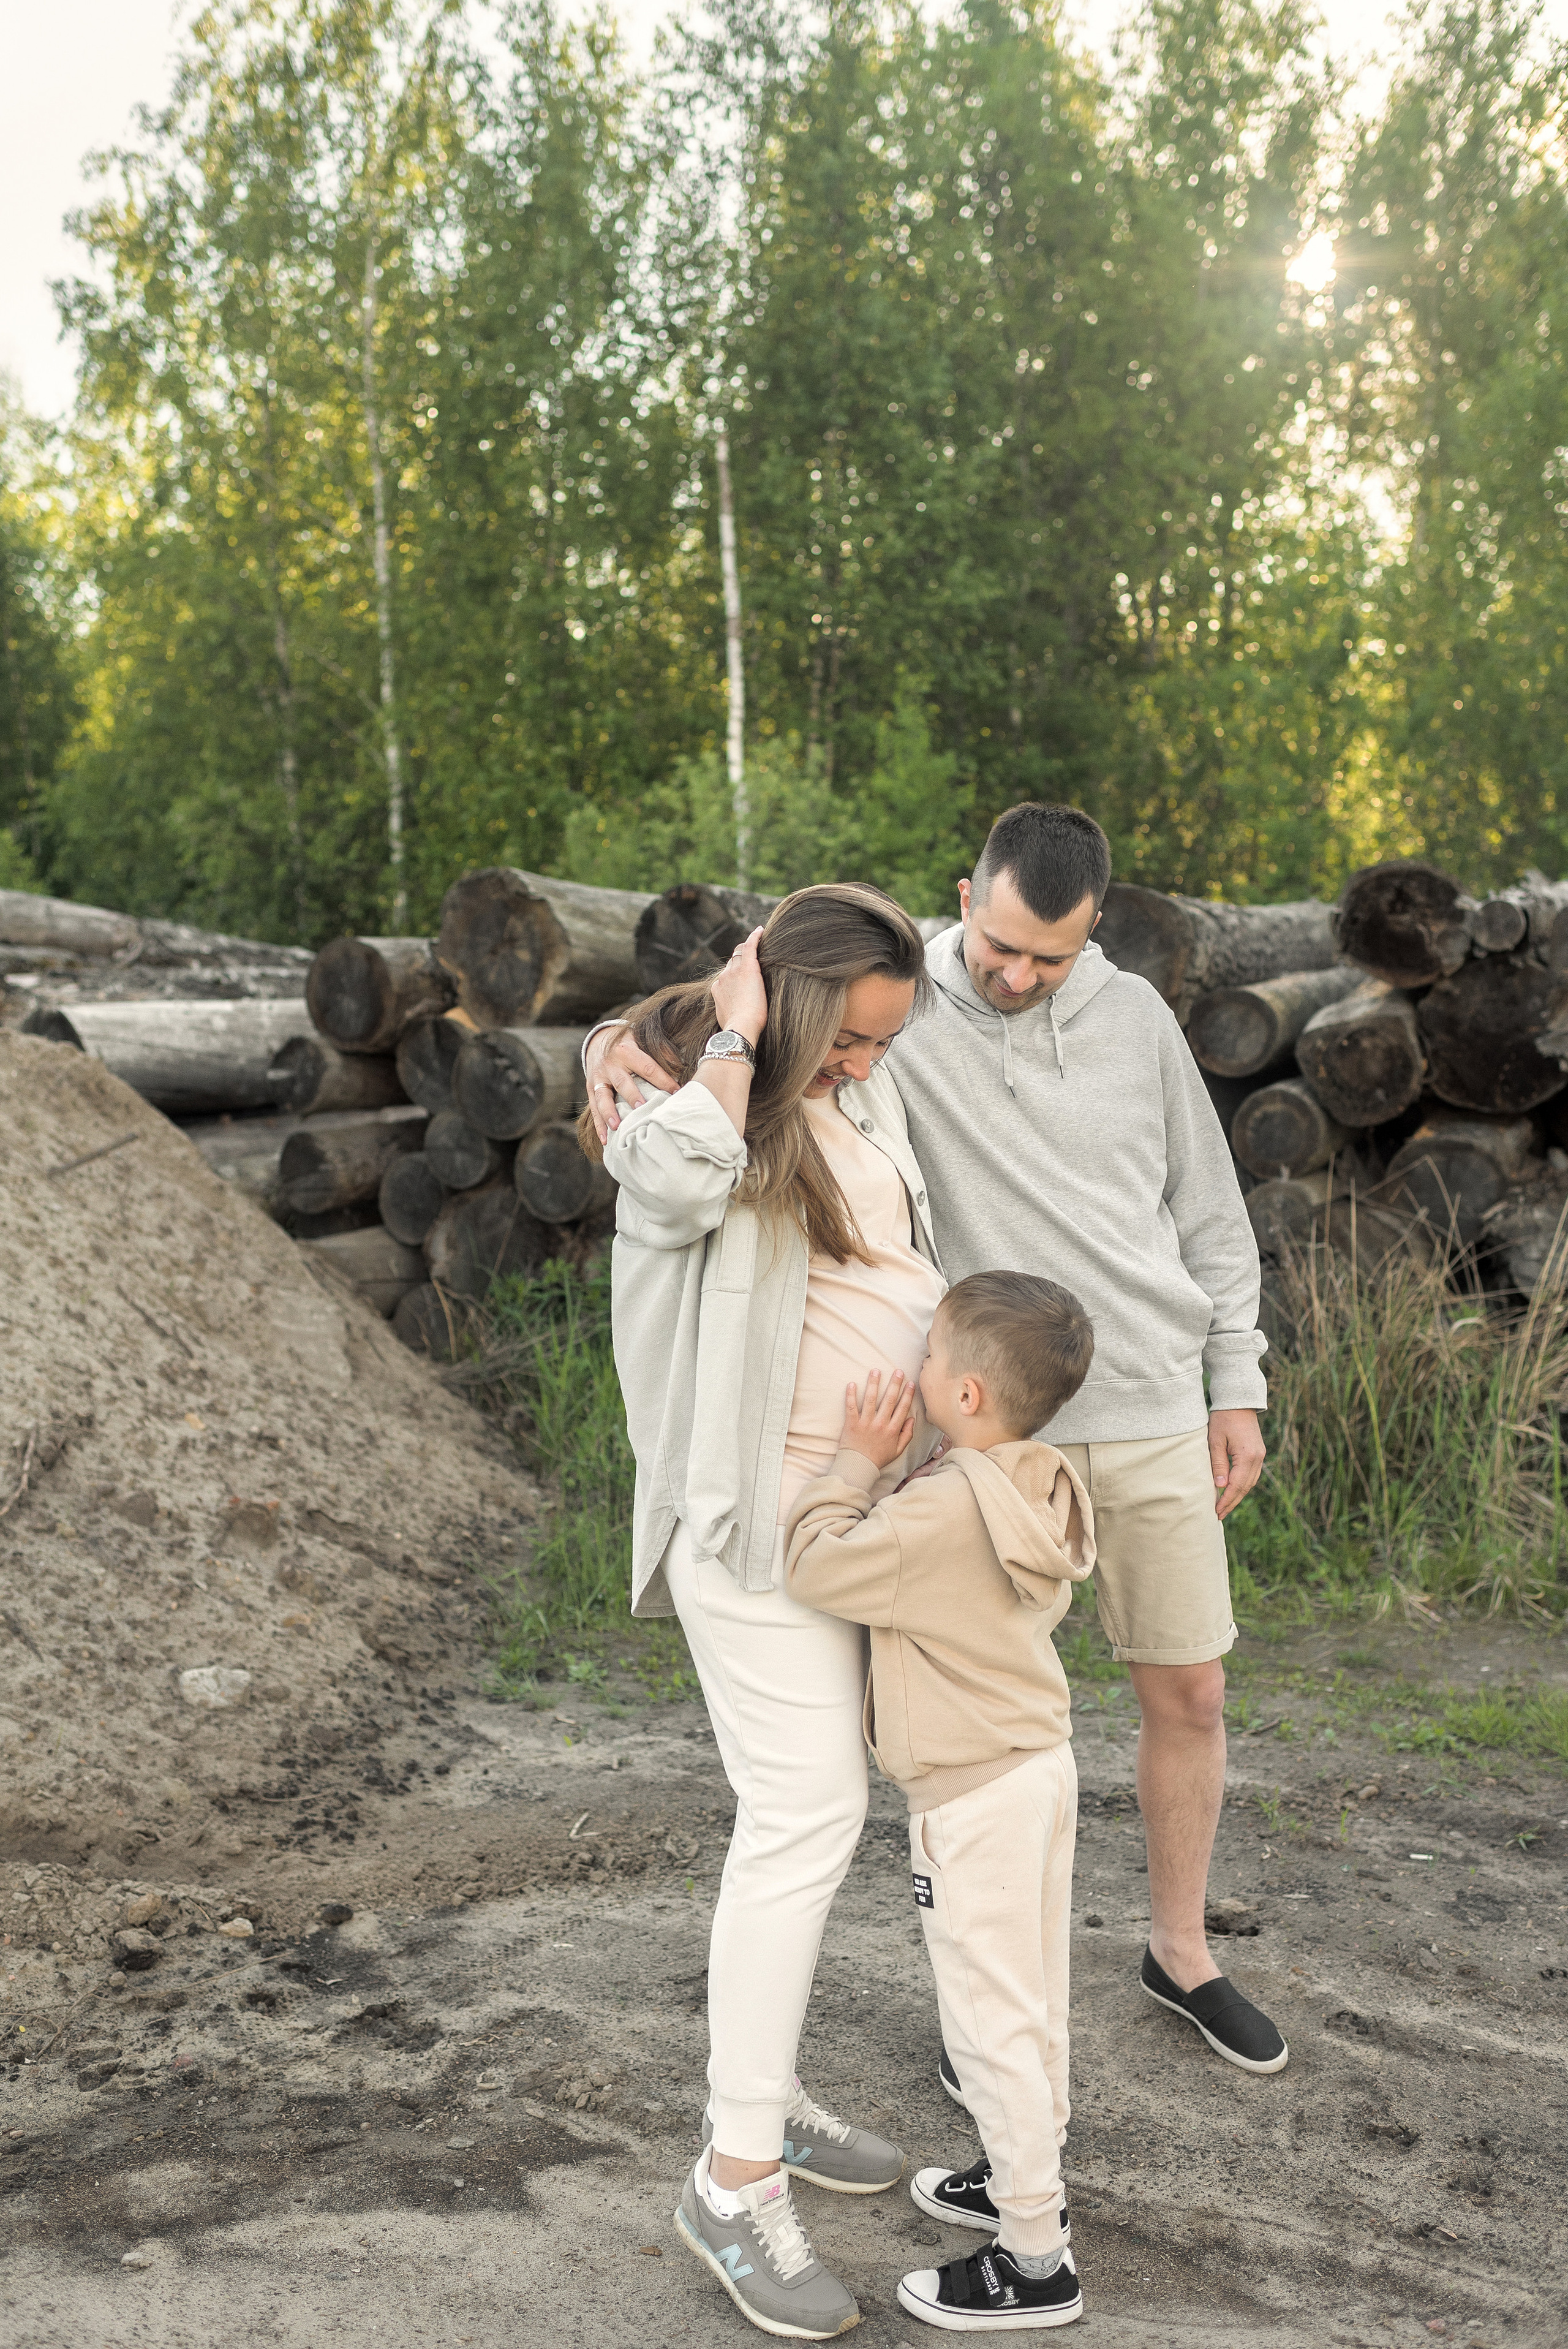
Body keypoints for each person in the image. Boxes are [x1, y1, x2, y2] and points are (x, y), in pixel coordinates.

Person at [587, 803, 1287, 2078]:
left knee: (1187, 1686)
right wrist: (606, 1043)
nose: (1018, 977)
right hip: (978, 1427)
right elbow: (724, 1003)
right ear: (965, 896)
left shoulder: (1129, 1019)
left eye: (1052, 959)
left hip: (1144, 1402)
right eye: (1003, 946)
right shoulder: (887, 1006)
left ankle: (1180, 1950)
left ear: (1092, 937)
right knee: (970, 1738)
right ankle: (985, 2009)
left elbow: (1209, 1212)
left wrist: (1230, 1384)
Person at [592, 882, 947, 2340]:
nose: (871, 1062)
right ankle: (732, 2183)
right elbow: (661, 1187)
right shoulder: (699, 1109)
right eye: (852, 1038)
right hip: (745, 1529)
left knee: (810, 1812)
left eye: (884, 1041)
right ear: (786, 1008)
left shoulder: (850, 1102)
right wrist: (724, 1039)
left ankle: (770, 2099)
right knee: (803, 1815)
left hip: (846, 1517)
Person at [785, 1270, 1098, 2332]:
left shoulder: (935, 1507)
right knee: (1031, 1996)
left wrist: (853, 1467)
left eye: (927, 1356)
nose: (911, 1369)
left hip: (970, 1797)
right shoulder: (1031, 1477)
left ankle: (1035, 2255)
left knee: (987, 2016)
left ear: (965, 1394)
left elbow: (815, 1564)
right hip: (1037, 1767)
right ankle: (1020, 2172)